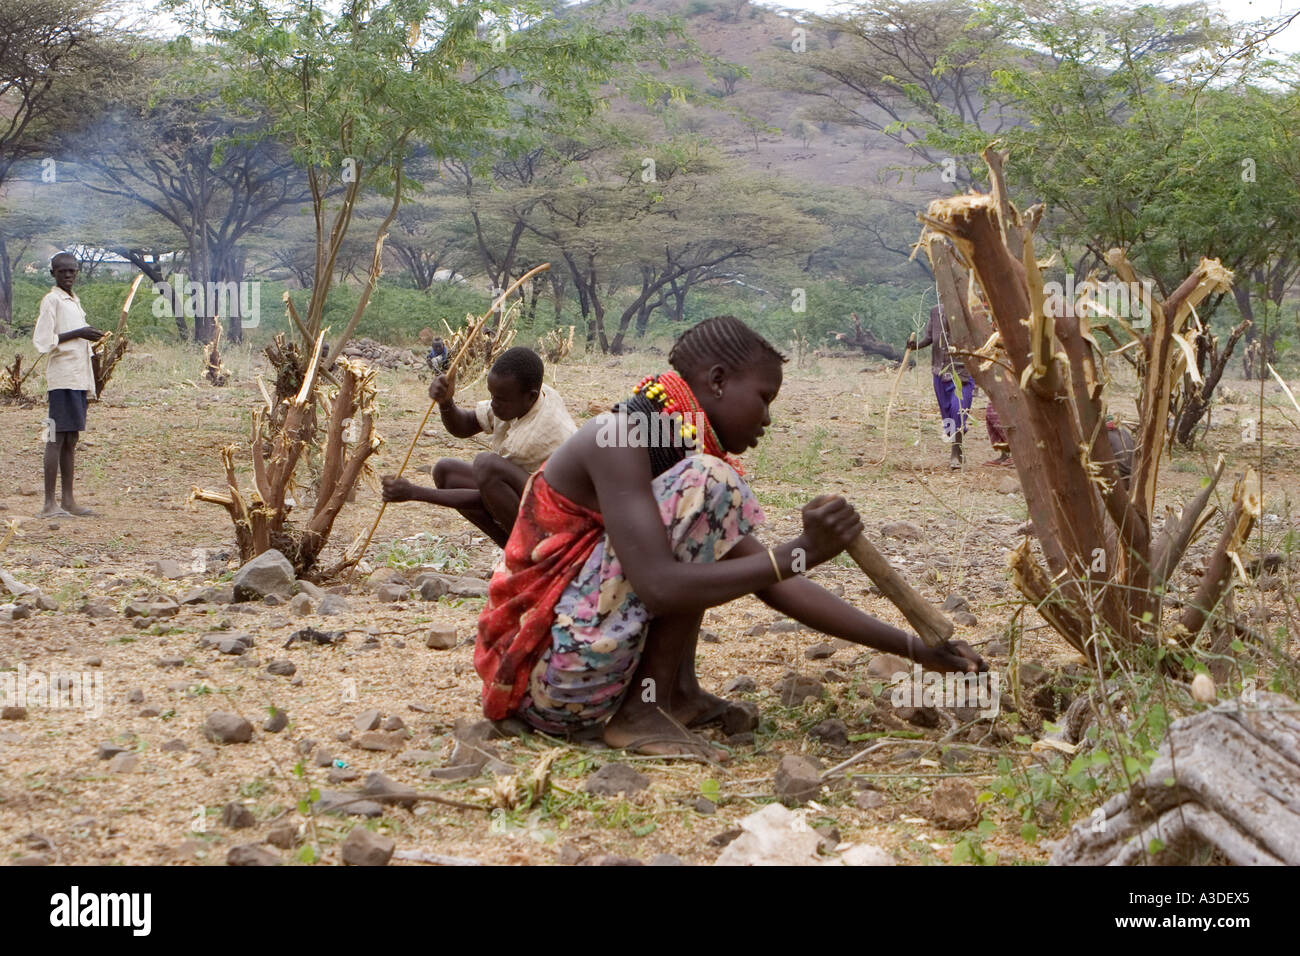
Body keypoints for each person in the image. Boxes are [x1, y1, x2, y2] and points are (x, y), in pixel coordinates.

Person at [476, 316, 985, 760]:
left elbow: (776, 582)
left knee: (712, 487)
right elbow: (661, 586)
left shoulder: (675, 449)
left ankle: (674, 695)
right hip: (544, 680)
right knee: (712, 483)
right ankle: (643, 710)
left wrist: (918, 649)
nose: (767, 417)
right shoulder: (623, 436)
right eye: (764, 398)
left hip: (572, 671)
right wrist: (797, 552)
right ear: (717, 381)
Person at [381, 347, 576, 546]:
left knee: (487, 465)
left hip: (561, 526)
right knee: (446, 471)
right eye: (492, 396)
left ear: (530, 396)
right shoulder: (532, 396)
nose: (493, 404)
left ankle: (530, 555)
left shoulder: (531, 438)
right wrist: (446, 402)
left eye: (500, 399)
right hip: (534, 496)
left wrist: (415, 493)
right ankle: (511, 551)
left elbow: (486, 497)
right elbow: (464, 426)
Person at [33, 253, 105, 518]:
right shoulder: (52, 300)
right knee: (55, 438)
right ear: (53, 273)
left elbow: (77, 339)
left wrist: (89, 338)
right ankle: (48, 504)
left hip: (77, 378)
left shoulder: (74, 301)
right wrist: (79, 333)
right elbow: (43, 341)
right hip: (62, 378)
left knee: (71, 438)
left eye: (72, 271)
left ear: (77, 272)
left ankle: (68, 500)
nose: (68, 275)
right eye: (62, 271)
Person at [907, 303, 974, 469]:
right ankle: (957, 443)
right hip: (939, 371)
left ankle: (955, 453)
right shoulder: (935, 311)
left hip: (962, 372)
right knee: (948, 415)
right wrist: (915, 346)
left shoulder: (969, 308)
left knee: (957, 409)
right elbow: (930, 338)